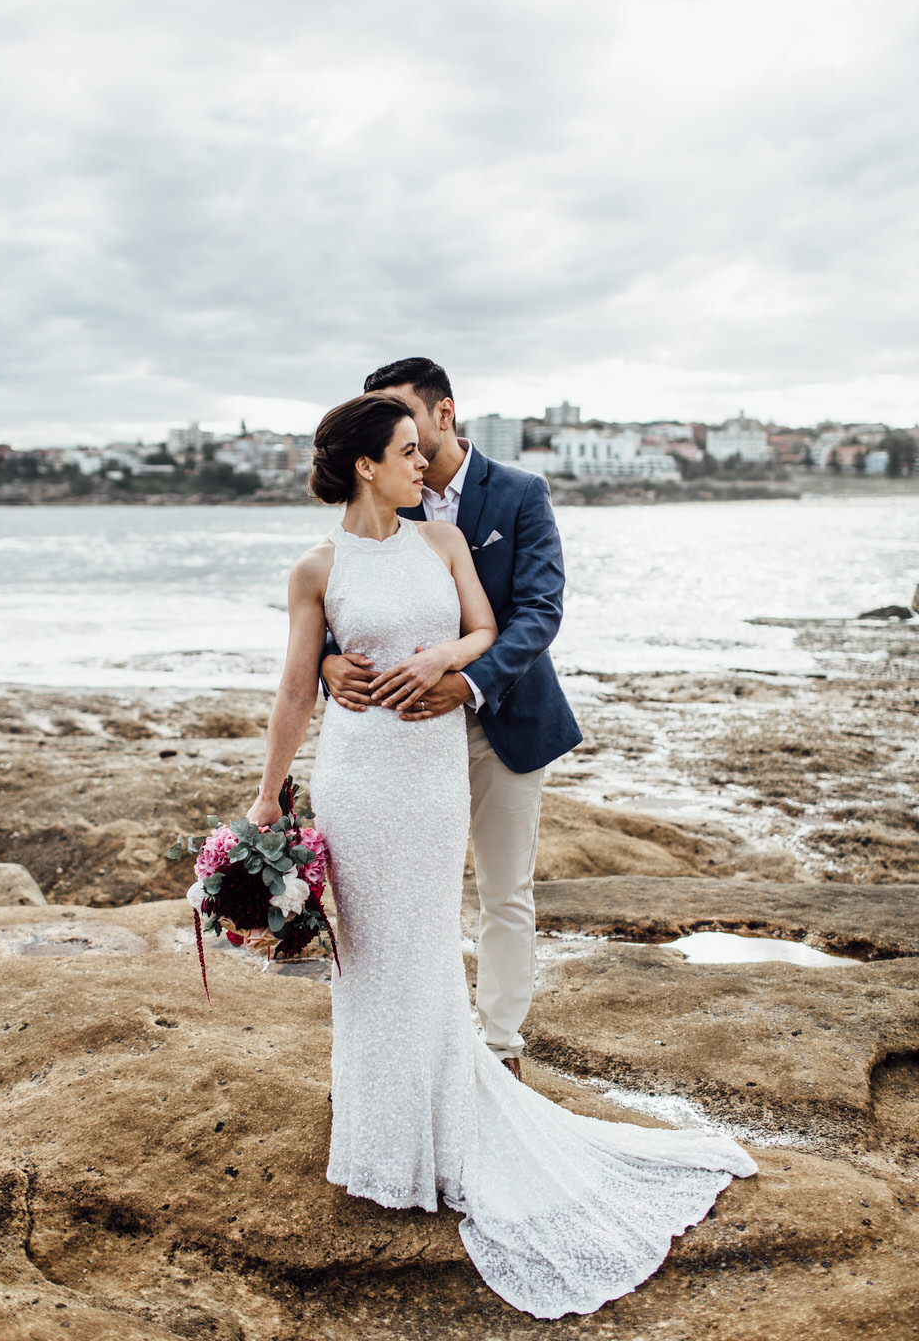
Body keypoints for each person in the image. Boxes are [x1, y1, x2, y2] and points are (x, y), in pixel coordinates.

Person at [248, 390, 756, 1319]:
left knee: (436, 939)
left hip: (439, 762)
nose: (421, 461)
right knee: (365, 955)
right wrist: (267, 784)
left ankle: (454, 1113)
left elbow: (499, 624)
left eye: (419, 442)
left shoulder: (453, 535)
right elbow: (292, 684)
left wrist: (448, 662)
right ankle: (378, 1135)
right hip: (357, 774)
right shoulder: (315, 568)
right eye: (403, 450)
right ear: (367, 464)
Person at [321, 358, 582, 1080]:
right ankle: (409, 1053)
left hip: (505, 720)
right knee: (400, 900)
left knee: (505, 893)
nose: (394, 434)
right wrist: (327, 662)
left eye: (403, 416)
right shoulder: (382, 493)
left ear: (444, 413)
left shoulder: (522, 493)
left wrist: (467, 682)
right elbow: (346, 599)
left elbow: (539, 613)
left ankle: (500, 1048)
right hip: (398, 740)